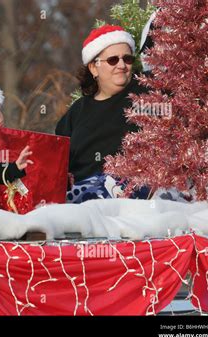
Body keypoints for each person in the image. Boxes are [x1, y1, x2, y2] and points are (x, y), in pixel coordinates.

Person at [55, 25, 150, 203]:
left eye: (127, 59)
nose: (122, 65)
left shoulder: (145, 92)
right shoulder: (76, 112)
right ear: (93, 68)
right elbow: (57, 159)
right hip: (80, 193)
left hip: (127, 189)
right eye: (113, 60)